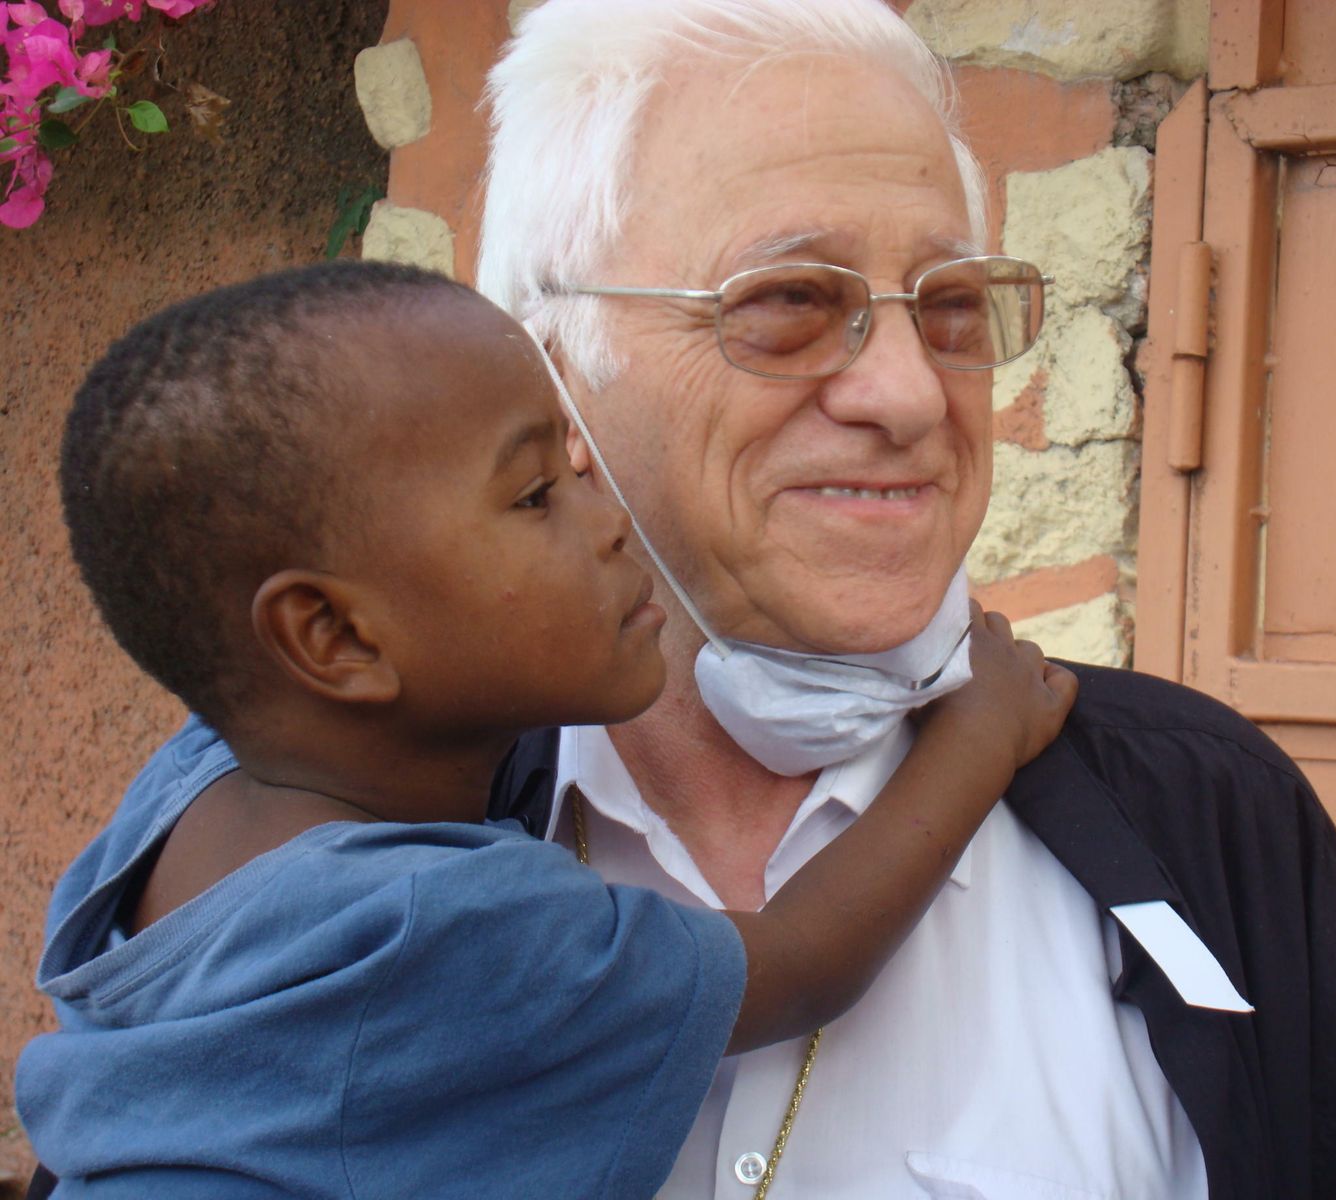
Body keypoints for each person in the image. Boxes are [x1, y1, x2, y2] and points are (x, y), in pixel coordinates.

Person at [472, 1, 1336, 1197]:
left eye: (949, 308)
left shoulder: (1212, 817)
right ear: (553, 369)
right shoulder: (355, 816)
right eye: (787, 301)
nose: (907, 393)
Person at [15, 261, 1078, 1198]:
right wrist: (978, 730)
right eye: (535, 495)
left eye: (575, 466)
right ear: (335, 636)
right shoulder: (438, 924)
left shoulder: (185, 795)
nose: (610, 518)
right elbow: (806, 960)